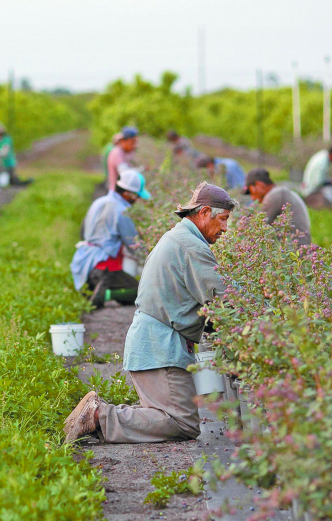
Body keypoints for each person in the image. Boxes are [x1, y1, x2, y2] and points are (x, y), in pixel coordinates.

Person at [63, 183, 236, 444]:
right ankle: (99, 416)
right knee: (182, 422)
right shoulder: (192, 247)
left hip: (154, 344)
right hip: (160, 350)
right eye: (222, 220)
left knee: (170, 417)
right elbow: (227, 300)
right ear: (204, 213)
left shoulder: (179, 238)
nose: (225, 229)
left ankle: (99, 416)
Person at [71, 170, 149, 308]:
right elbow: (133, 245)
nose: (137, 200)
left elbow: (83, 230)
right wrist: (150, 260)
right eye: (137, 196)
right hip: (104, 266)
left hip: (84, 261)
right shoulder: (122, 211)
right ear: (128, 193)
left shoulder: (99, 202)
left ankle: (91, 290)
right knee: (144, 293)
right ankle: (106, 294)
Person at [243, 168, 312, 246]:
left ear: (259, 185)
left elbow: (259, 230)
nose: (252, 198)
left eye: (251, 192)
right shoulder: (281, 192)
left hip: (295, 249)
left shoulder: (274, 195)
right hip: (298, 247)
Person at [0, 121, 32, 186]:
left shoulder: (6, 139)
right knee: (10, 180)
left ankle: (28, 182)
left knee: (13, 182)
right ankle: (25, 181)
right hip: (2, 165)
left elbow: (4, 152)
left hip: (9, 163)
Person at [106, 127, 139, 192]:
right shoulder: (117, 154)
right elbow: (126, 174)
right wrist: (142, 170)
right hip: (116, 194)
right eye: (132, 142)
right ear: (123, 141)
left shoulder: (124, 152)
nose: (134, 146)